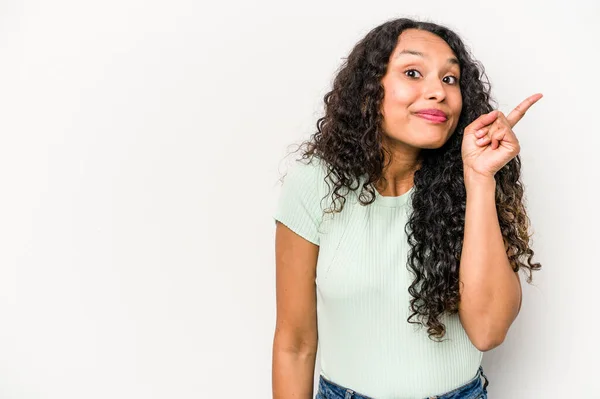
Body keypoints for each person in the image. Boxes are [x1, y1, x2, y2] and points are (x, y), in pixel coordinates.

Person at [272, 17, 542, 399]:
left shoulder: (473, 184)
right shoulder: (315, 183)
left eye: (450, 79)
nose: (438, 91)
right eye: (413, 72)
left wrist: (479, 181)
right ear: (369, 91)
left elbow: (489, 330)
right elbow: (294, 344)